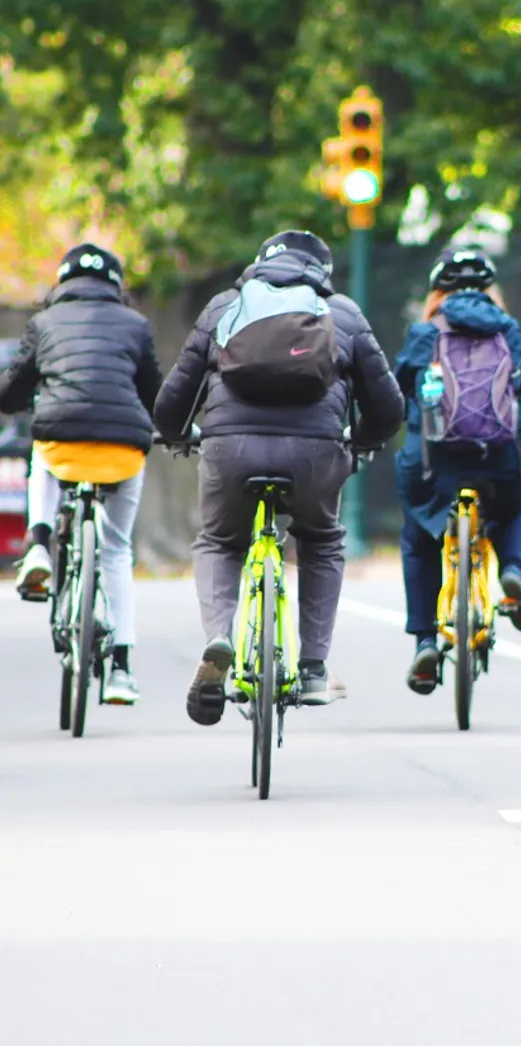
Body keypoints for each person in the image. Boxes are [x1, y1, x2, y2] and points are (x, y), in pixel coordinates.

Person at [154, 229, 404, 724]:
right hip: (314, 454)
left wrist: (181, 434)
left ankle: (219, 638)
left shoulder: (224, 307)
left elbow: (171, 403)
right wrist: (361, 440)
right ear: (321, 274)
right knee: (322, 541)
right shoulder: (345, 314)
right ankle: (312, 668)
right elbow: (389, 407)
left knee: (220, 541)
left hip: (231, 449)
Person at [0, 243, 162, 705]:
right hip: (123, 451)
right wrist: (177, 428)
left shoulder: (43, 324)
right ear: (115, 286)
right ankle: (122, 670)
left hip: (62, 443)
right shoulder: (137, 325)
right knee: (116, 551)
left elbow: (11, 393)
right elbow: (155, 394)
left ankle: (37, 546)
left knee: (43, 453)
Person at [394, 248, 521, 694]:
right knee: (516, 506)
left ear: (436, 291)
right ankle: (513, 572)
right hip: (497, 457)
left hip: (435, 461)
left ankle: (426, 640)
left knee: (418, 535)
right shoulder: (507, 330)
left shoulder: (426, 332)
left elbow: (396, 387)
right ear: (492, 291)